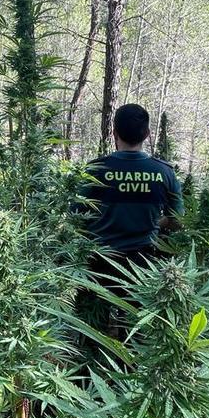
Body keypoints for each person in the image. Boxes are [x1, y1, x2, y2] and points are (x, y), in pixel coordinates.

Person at [75, 103, 184, 353]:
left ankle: (90, 373)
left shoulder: (96, 169)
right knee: (134, 324)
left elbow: (76, 216)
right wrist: (154, 223)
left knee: (93, 324)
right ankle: (128, 371)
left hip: (98, 259)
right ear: (147, 134)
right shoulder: (163, 172)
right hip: (143, 261)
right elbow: (177, 221)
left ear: (114, 133)